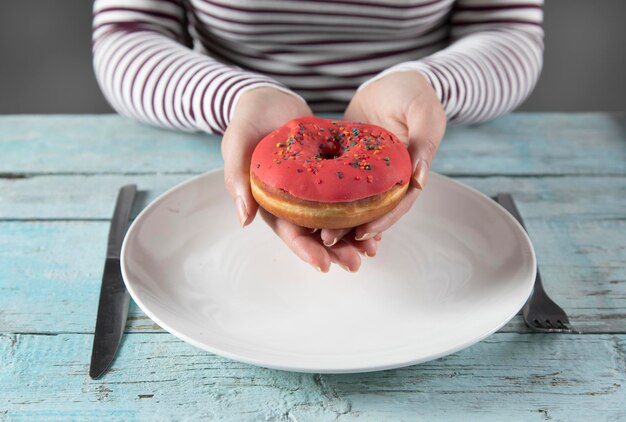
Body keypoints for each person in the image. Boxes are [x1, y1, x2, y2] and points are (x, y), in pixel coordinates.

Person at [93, 0, 543, 272]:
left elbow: (509, 31)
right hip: (227, 139)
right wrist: (237, 97)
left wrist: (429, 84)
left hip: (422, 141)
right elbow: (127, 35)